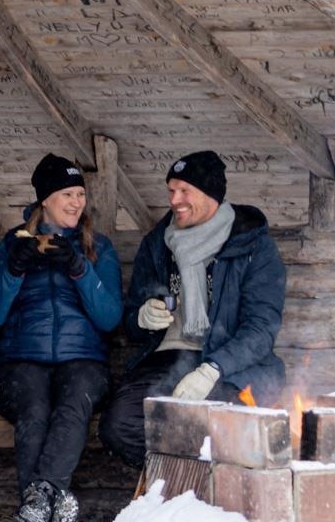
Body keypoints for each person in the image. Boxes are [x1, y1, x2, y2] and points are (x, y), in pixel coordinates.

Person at [99, 150, 288, 468]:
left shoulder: (252, 245)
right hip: (165, 359)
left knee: (217, 427)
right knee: (119, 426)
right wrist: (142, 318)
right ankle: (186, 486)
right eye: (171, 190)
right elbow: (130, 320)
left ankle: (189, 489)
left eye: (185, 190)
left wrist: (211, 370)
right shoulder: (158, 244)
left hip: (230, 363)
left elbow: (261, 328)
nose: (175, 200)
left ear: (210, 194)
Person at [0, 154, 121, 522]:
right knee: (35, 406)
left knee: (75, 399)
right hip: (19, 360)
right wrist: (14, 270)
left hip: (83, 360)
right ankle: (48, 512)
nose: (76, 202)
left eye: (80, 194)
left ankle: (41, 498)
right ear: (45, 200)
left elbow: (109, 318)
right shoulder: (13, 244)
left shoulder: (98, 247)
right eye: (67, 194)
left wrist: (79, 268)